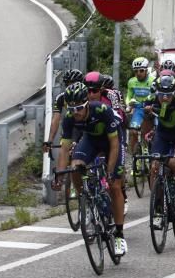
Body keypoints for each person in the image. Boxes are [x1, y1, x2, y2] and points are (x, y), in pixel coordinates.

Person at [55, 82, 128, 257]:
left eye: (79, 108)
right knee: (75, 167)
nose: (76, 113)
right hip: (91, 140)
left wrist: (110, 172)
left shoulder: (102, 110)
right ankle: (86, 199)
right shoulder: (70, 118)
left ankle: (119, 235)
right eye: (72, 109)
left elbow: (114, 144)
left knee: (115, 186)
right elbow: (65, 149)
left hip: (113, 140)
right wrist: (59, 174)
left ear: (87, 103)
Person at [141, 75, 175, 218]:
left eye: (168, 95)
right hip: (162, 135)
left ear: (174, 93)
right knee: (154, 167)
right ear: (156, 92)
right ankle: (157, 205)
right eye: (162, 94)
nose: (165, 98)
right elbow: (145, 130)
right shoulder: (150, 100)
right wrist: (147, 116)